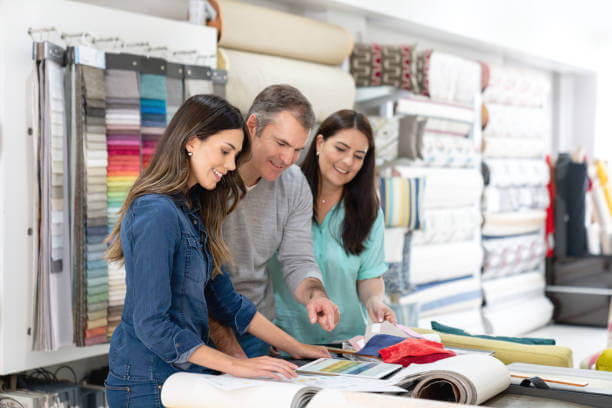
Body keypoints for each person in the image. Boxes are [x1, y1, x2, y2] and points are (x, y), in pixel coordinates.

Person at [104, 95, 328, 407]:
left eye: (235, 155)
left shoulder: (192, 210)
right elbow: (151, 323)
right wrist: (237, 364)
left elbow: (226, 301)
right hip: (148, 383)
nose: (231, 166)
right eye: (225, 151)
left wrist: (296, 347)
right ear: (191, 141)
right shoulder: (154, 212)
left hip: (186, 377)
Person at [211, 85, 340, 358]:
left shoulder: (294, 184)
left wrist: (316, 295)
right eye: (281, 143)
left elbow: (297, 258)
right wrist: (236, 359)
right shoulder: (212, 175)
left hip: (256, 328)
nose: (287, 159)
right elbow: (198, 281)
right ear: (252, 125)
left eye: (297, 149)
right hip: (202, 326)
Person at [270, 109, 397, 345]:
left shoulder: (368, 211)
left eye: (359, 156)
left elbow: (369, 276)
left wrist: (375, 303)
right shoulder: (282, 194)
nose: (348, 162)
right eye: (340, 149)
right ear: (319, 143)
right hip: (283, 343)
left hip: (345, 344)